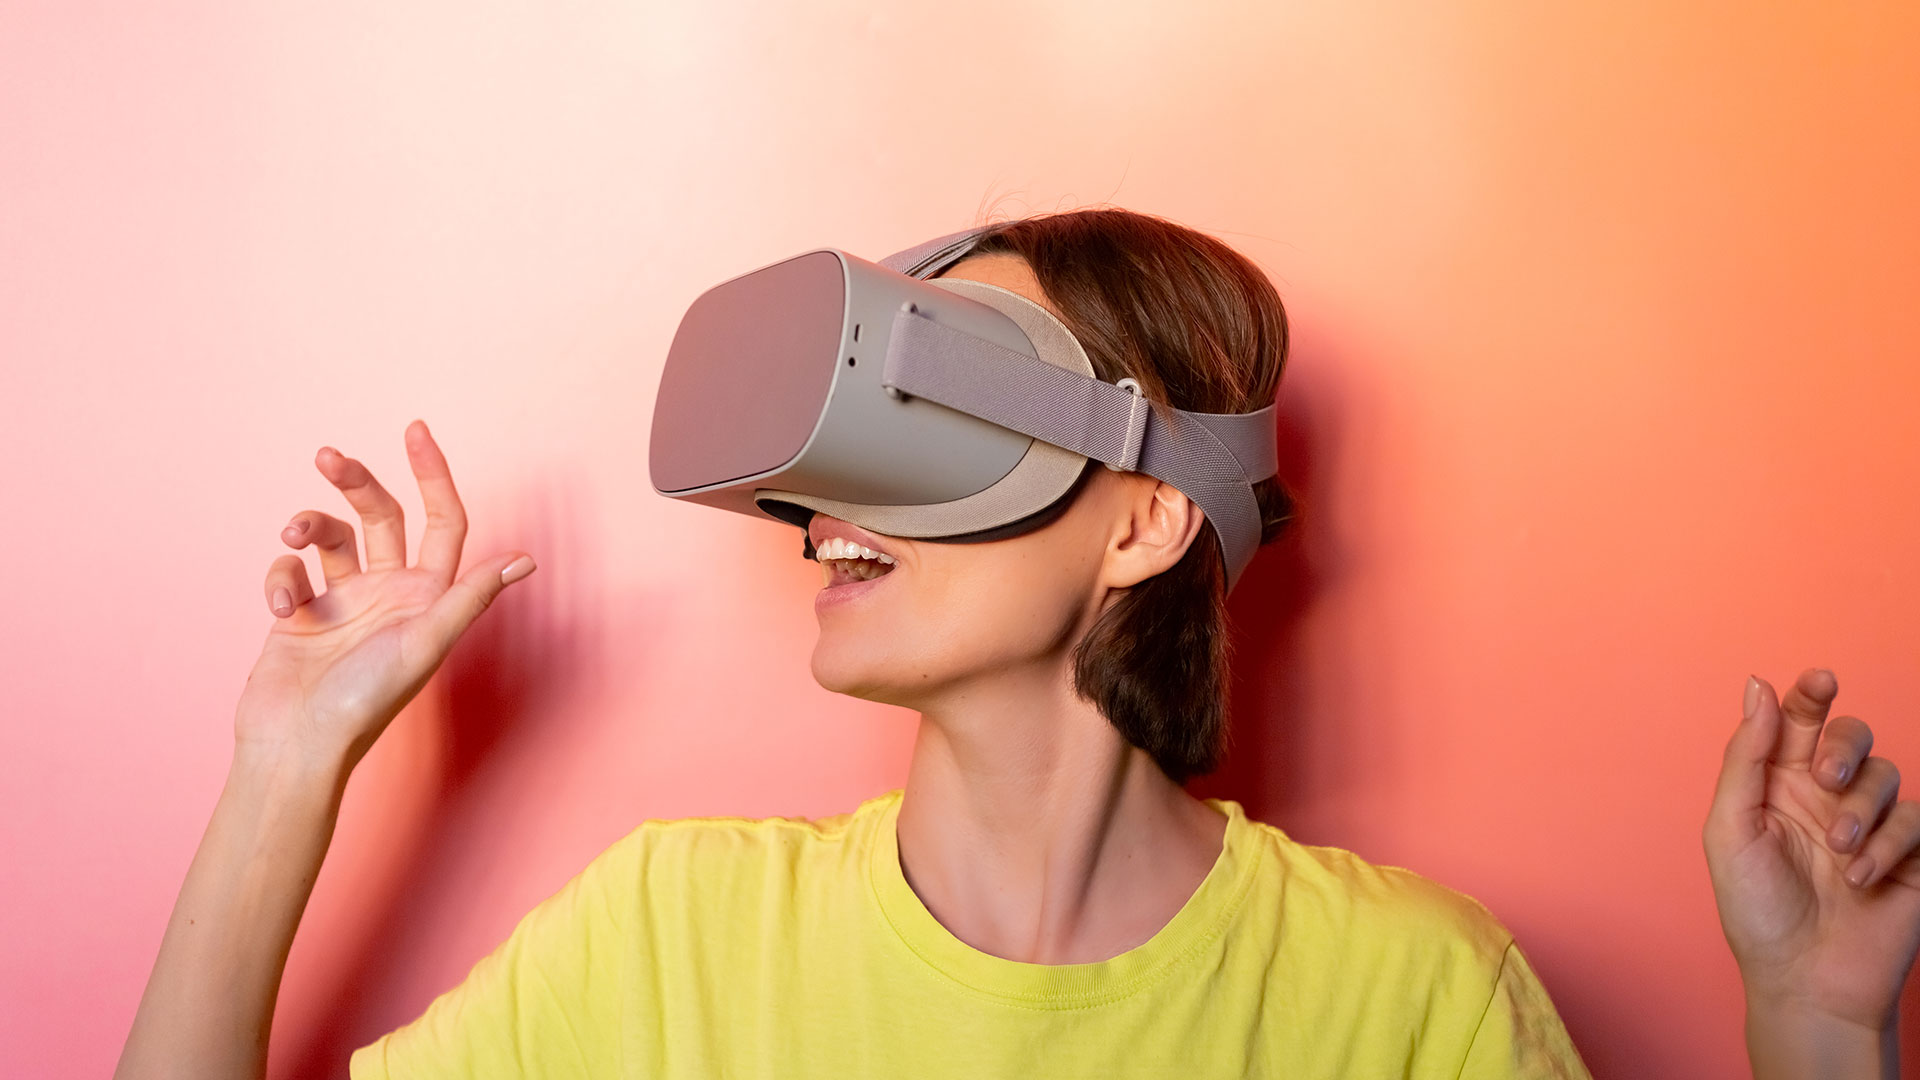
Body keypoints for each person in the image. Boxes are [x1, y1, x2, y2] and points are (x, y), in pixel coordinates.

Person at [115, 210, 1920, 1078]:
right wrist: (287, 763)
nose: (835, 500)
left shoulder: (1408, 1001)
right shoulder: (670, 937)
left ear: (1144, 517)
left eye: (931, 412)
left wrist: (1819, 1026)